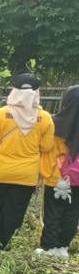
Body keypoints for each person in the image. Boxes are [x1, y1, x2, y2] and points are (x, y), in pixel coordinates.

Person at [0, 74, 54, 250]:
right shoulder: (45, 117)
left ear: (15, 91)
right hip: (26, 175)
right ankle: (3, 245)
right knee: (14, 211)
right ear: (36, 93)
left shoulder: (1, 114)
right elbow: (47, 146)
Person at [38, 86, 79, 257]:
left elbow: (46, 148)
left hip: (56, 177)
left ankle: (48, 247)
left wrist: (41, 175)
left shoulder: (55, 124)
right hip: (77, 178)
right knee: (72, 212)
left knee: (52, 212)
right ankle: (62, 247)